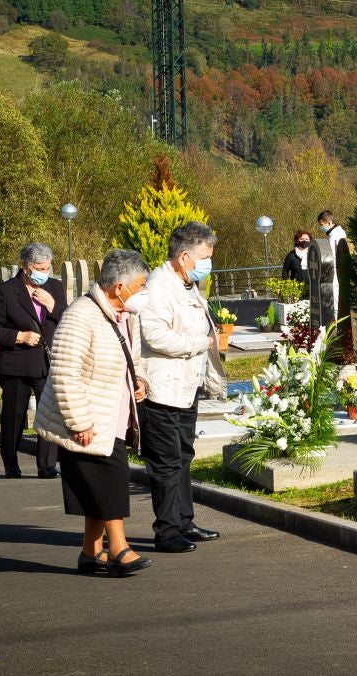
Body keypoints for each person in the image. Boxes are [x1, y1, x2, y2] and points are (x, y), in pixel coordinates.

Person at [34, 249, 153, 577]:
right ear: (119, 287)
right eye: (140, 286)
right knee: (111, 481)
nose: (144, 293)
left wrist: (138, 380)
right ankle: (119, 548)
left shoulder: (124, 316)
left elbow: (133, 358)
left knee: (97, 487)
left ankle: (90, 552)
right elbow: (63, 373)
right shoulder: (80, 315)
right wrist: (79, 421)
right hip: (89, 419)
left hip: (112, 417)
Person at [139, 222, 224, 553]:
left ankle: (184, 521)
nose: (208, 263)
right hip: (163, 389)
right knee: (166, 461)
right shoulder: (159, 286)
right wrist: (198, 343)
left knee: (184, 455)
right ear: (185, 256)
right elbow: (154, 335)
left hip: (186, 386)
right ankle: (167, 530)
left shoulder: (187, 283)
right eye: (205, 257)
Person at [0, 242, 67, 479]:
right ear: (26, 267)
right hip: (16, 364)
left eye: (48, 267)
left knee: (49, 415)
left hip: (46, 363)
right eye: (39, 267)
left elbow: (68, 318)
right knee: (14, 416)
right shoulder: (7, 291)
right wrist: (18, 336)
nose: (44, 272)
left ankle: (47, 465)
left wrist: (52, 305)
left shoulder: (55, 287)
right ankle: (11, 463)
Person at [317, 210, 347, 320]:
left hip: (335, 268)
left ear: (328, 223)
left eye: (322, 225)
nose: (321, 228)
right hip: (332, 268)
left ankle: (336, 316)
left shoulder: (337, 235)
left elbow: (334, 254)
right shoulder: (333, 234)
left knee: (335, 292)